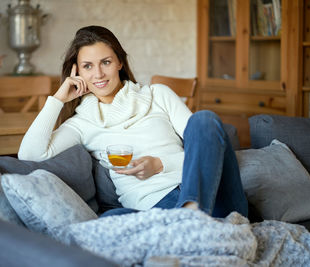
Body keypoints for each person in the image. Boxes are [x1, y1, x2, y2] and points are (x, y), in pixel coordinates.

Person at [18, 25, 248, 218]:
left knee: (204, 120)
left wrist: (160, 164)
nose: (98, 74)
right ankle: (195, 226)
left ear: (119, 62)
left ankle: (192, 219)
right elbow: (30, 153)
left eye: (105, 62)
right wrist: (58, 98)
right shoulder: (82, 123)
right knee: (108, 220)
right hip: (156, 209)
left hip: (211, 199)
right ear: (76, 72)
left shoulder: (158, 95)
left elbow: (207, 153)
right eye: (88, 66)